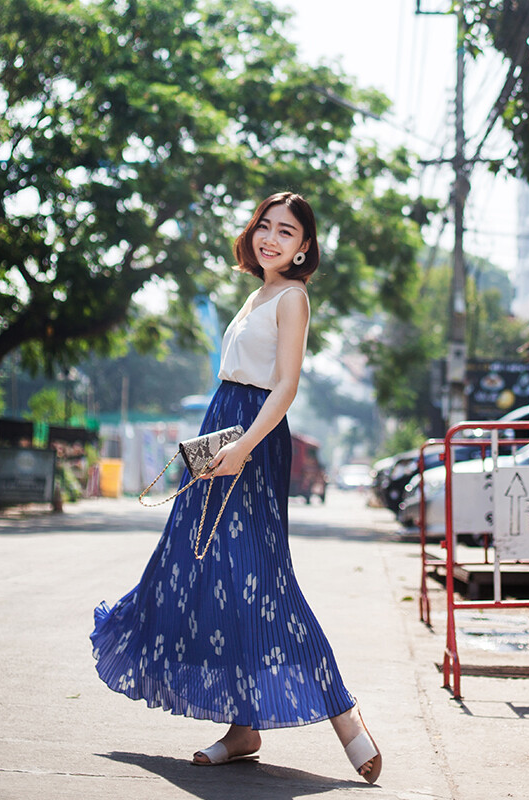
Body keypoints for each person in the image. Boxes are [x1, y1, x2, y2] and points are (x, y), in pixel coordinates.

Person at [91, 192, 382, 783]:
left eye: (287, 232)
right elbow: (235, 380)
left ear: (305, 247)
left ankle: (344, 715)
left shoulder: (293, 298)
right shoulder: (258, 292)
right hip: (220, 432)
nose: (271, 239)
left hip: (250, 441)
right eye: (264, 228)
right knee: (203, 572)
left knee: (262, 582)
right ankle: (244, 729)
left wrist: (242, 448)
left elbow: (284, 386)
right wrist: (214, 447)